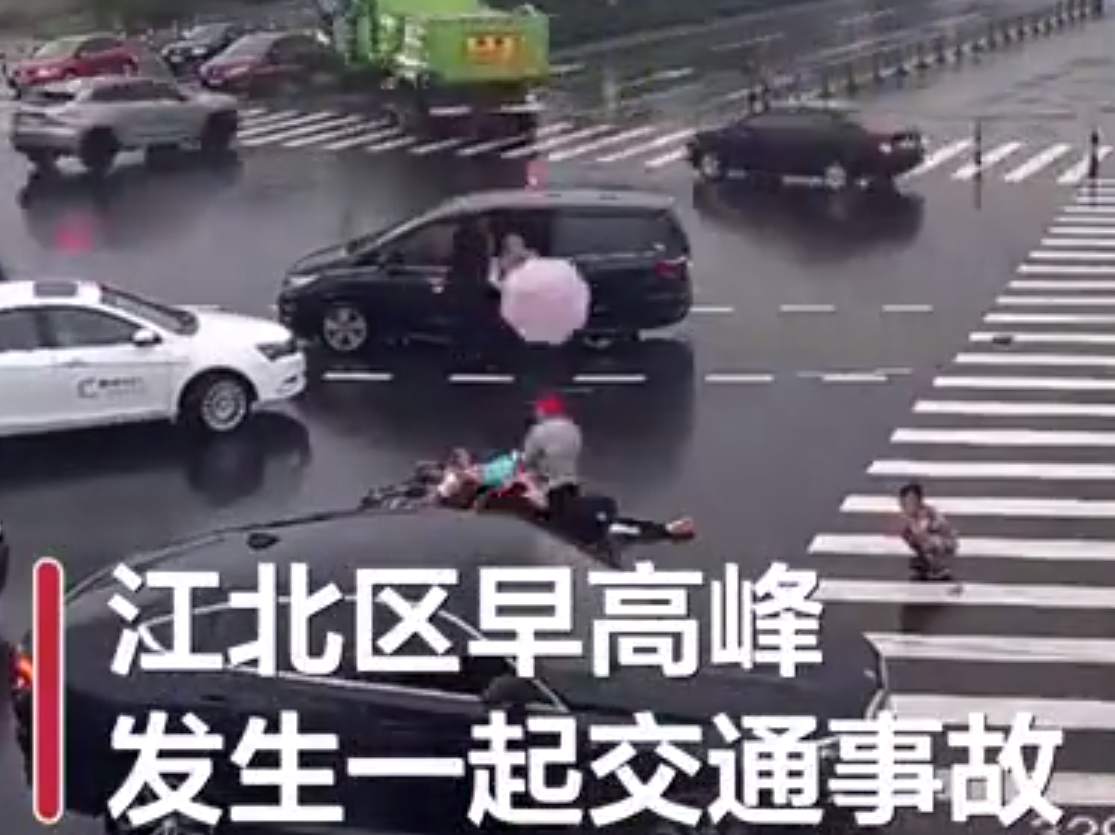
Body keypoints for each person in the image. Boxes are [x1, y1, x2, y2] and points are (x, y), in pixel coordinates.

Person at [520, 394, 694, 546]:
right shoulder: (572, 428)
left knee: (607, 528)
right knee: (600, 525)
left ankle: (664, 530)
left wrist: (529, 473)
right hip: (567, 487)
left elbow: (527, 459)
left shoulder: (539, 432)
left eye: (538, 410)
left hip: (555, 493)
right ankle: (664, 530)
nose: (536, 413)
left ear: (543, 411)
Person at [897, 482, 958, 582]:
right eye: (903, 502)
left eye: (909, 501)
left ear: (918, 501)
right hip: (937, 544)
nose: (904, 506)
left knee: (922, 540)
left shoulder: (925, 515)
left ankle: (936, 568)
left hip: (943, 544)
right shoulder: (913, 514)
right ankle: (928, 564)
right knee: (910, 535)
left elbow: (923, 536)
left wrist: (911, 522)